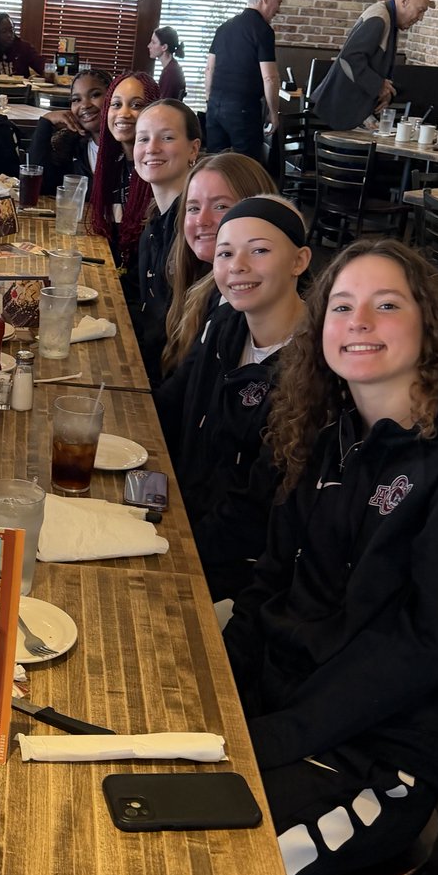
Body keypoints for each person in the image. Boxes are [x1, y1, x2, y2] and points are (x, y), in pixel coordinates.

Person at [224, 238, 438, 875]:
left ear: (431, 325)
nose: (360, 322)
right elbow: (269, 586)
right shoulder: (326, 437)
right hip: (273, 709)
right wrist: (214, 685)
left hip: (370, 762)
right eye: (342, 307)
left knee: (189, 857)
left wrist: (269, 738)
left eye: (387, 305)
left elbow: (425, 652)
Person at [156, 195, 310, 601]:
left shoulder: (312, 369)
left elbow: (256, 509)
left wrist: (176, 550)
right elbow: (173, 404)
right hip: (181, 518)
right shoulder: (226, 323)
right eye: (225, 253)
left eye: (259, 251)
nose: (237, 266)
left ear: (299, 261)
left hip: (235, 571)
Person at [163, 152, 279, 375]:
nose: (202, 220)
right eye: (193, 208)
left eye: (221, 206)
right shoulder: (192, 271)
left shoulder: (243, 296)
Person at [131, 99, 202, 385]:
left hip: (167, 384)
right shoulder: (155, 222)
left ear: (193, 149)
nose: (152, 148)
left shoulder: (196, 232)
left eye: (167, 138)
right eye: (143, 138)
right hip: (145, 366)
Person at [309, 0, 432, 130]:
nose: (421, 18)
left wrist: (385, 93)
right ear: (404, 1)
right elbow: (350, 58)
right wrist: (378, 86)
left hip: (345, 110)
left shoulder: (388, 17)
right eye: (420, 10)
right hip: (337, 113)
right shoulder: (380, 18)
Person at [87, 71, 159, 293]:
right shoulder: (113, 166)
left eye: (136, 105)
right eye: (116, 104)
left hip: (140, 294)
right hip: (112, 281)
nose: (124, 113)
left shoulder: (158, 173)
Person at [204, 0, 282, 160]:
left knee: (214, 163)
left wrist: (211, 101)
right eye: (278, 2)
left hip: (215, 106)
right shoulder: (263, 30)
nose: (278, 9)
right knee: (247, 166)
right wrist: (273, 113)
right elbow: (270, 78)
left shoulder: (223, 28)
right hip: (243, 110)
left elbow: (209, 69)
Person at [28, 68, 111, 195]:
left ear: (113, 97)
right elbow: (40, 186)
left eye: (95, 95)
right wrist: (46, 122)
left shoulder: (127, 149)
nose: (85, 105)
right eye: (76, 100)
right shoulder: (72, 146)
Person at [0, 13, 44, 77]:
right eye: (4, 31)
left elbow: (42, 66)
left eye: (11, 30)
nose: (9, 35)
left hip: (20, 87)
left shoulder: (23, 47)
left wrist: (48, 72)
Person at [149, 26, 187, 101]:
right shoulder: (171, 68)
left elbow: (164, 104)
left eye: (153, 42)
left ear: (164, 47)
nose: (149, 46)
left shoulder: (171, 72)